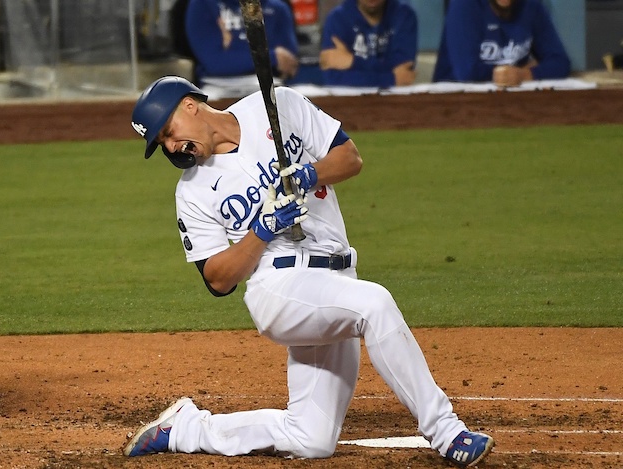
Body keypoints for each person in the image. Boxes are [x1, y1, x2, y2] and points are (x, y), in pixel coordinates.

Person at [124, 75, 495, 467]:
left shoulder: (277, 107)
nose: (171, 146)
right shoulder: (193, 192)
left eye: (168, 132)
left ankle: (186, 429)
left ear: (190, 105)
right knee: (374, 304)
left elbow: (350, 159)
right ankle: (448, 432)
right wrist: (261, 231)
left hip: (334, 281)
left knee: (312, 438)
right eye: (162, 144)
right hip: (279, 288)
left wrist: (308, 174)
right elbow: (217, 279)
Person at [432, 0, 571, 87]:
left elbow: (560, 62)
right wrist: (510, 74)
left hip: (508, 97)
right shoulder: (465, 4)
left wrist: (524, 74)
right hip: (454, 97)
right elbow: (467, 72)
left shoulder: (531, 6)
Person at [184, 0, 299, 95]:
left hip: (268, 83)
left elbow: (288, 63)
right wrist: (270, 56)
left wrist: (231, 48)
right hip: (217, 85)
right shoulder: (202, 4)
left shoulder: (278, 9)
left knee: (293, 99)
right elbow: (214, 63)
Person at [319, 0, 417, 87]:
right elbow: (334, 79)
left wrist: (352, 62)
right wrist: (390, 79)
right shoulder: (337, 19)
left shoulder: (404, 16)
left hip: (394, 103)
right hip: (348, 103)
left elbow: (405, 70)